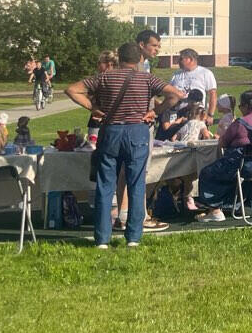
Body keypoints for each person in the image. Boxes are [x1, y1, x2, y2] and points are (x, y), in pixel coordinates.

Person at [65, 43, 183, 247]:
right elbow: (175, 95)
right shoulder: (147, 78)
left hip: (110, 131)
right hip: (137, 131)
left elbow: (72, 90)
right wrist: (156, 111)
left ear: (119, 57)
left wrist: (93, 108)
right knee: (136, 183)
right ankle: (133, 237)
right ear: (139, 59)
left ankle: (102, 238)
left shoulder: (105, 77)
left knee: (105, 185)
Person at [193, 90, 252, 223]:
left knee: (208, 173)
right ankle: (239, 203)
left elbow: (222, 143)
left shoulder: (241, 123)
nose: (240, 109)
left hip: (248, 167)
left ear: (247, 106)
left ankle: (215, 210)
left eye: (241, 106)